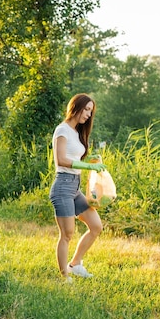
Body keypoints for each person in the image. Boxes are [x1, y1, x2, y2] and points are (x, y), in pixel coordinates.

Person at [49, 93, 108, 281]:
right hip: (62, 187)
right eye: (87, 109)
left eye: (91, 111)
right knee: (67, 234)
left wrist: (91, 162)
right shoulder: (62, 130)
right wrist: (88, 166)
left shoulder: (76, 132)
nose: (89, 115)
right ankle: (64, 276)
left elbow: (74, 158)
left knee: (96, 226)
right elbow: (62, 160)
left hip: (75, 188)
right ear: (76, 107)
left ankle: (75, 264)